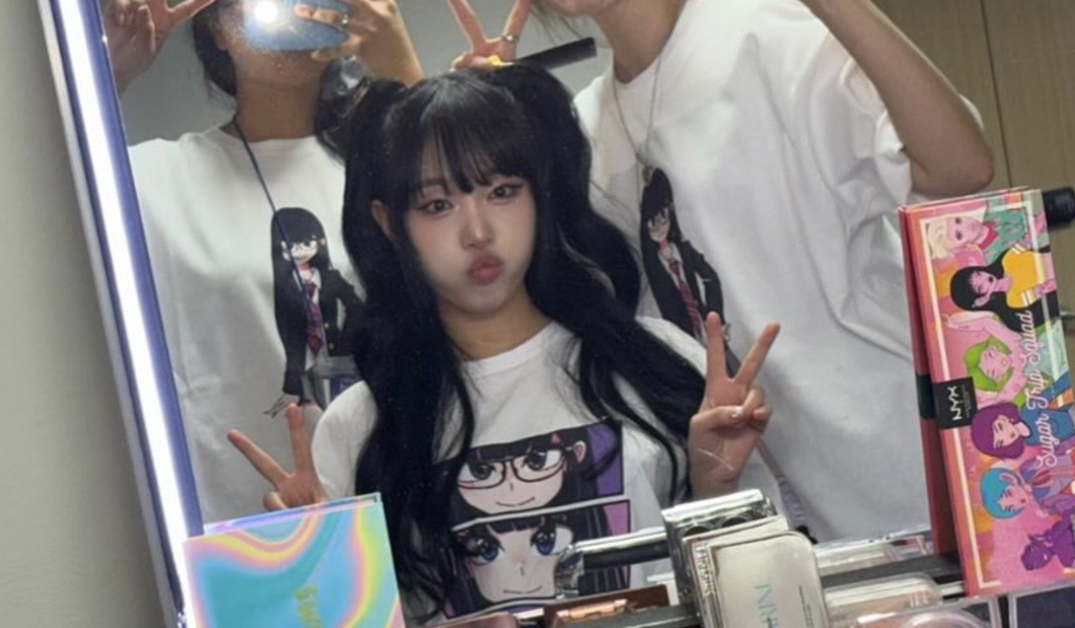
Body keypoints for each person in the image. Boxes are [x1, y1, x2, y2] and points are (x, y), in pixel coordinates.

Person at [228, 65, 780, 621]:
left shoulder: (653, 363)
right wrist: (311, 571)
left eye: (502, 192)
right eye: (437, 205)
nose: (478, 232)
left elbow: (762, 598)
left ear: (538, 196)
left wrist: (716, 487)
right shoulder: (361, 426)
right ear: (390, 224)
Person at [449, 0, 996, 541]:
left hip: (899, 468)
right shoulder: (590, 125)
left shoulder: (767, 33)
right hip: (753, 512)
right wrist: (485, 134)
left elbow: (959, 169)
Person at [102, 0, 422, 523]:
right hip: (249, 522)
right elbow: (32, 227)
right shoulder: (158, 177)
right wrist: (109, 77)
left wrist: (400, 68)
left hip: (410, 502)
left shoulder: (394, 168)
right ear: (217, 29)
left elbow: (479, 217)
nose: (286, 12)